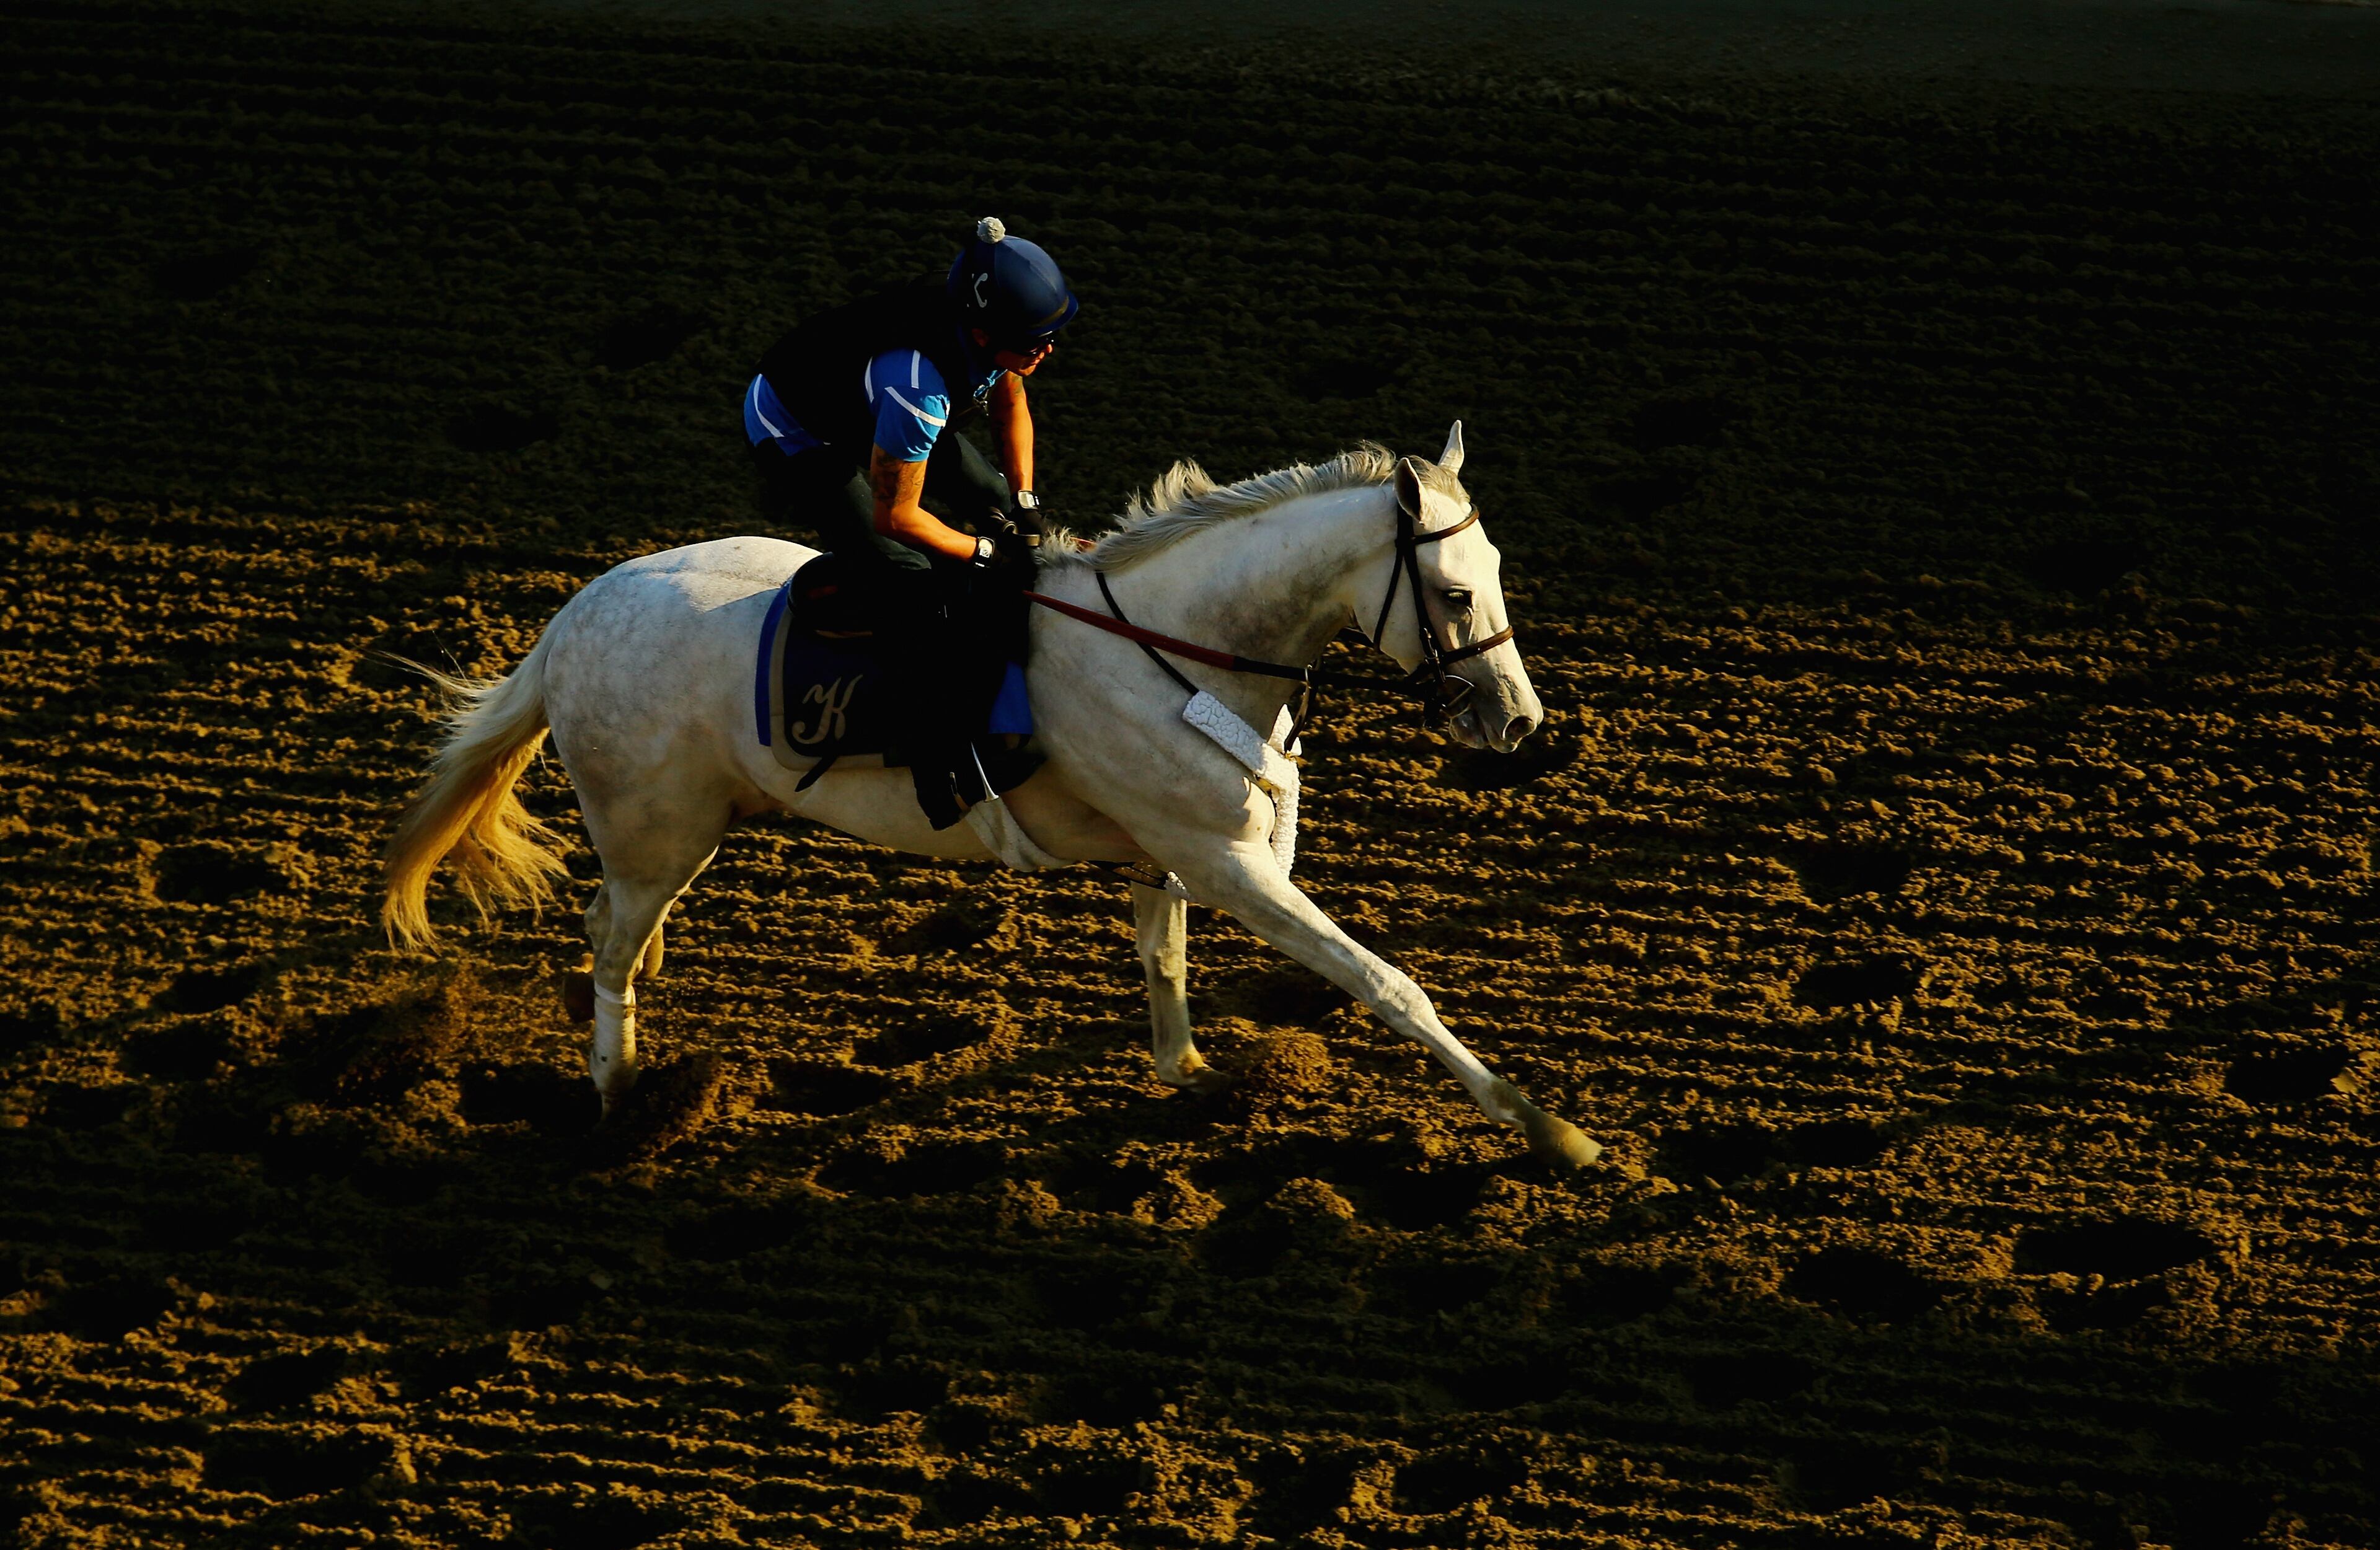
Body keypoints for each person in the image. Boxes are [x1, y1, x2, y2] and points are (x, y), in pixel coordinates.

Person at [741, 216, 1077, 827]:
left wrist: (1023, 501)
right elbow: (896, 516)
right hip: (802, 431)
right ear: (982, 331)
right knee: (914, 579)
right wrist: (983, 553)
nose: (1047, 351)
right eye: (1034, 343)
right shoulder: (915, 390)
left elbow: (1011, 402)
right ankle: (936, 764)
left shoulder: (991, 341)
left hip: (866, 403)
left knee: (1000, 506)